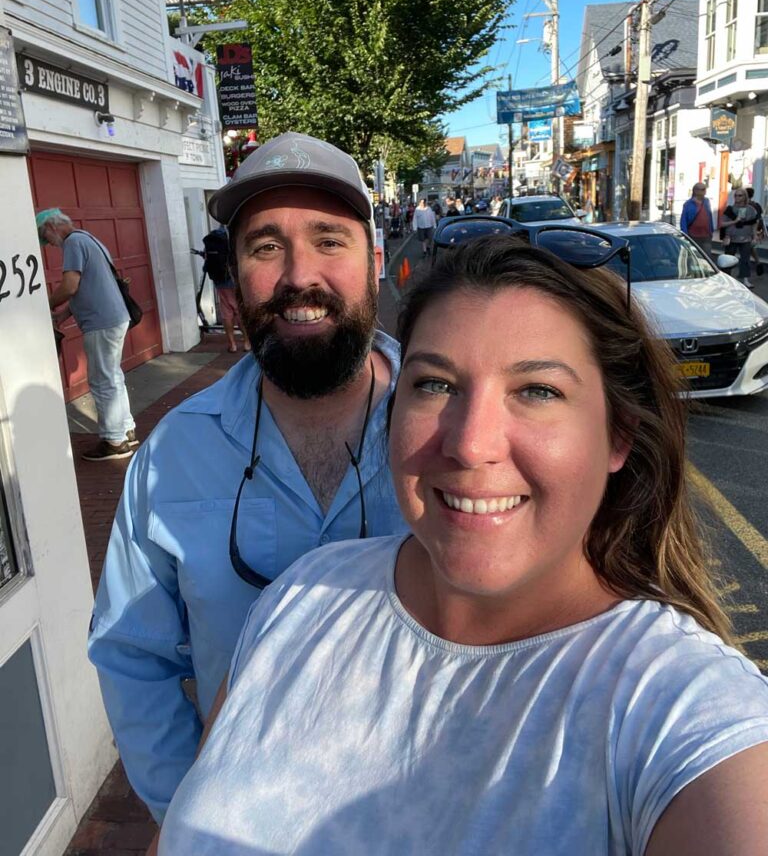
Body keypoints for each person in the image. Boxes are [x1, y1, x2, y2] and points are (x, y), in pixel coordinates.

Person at [155, 234, 768, 855]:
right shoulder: (302, 596)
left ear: (619, 436)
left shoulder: (680, 708)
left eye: (537, 391)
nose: (471, 444)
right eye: (436, 385)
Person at [88, 132, 405, 823]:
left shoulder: (455, 429)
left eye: (330, 240)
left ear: (375, 261)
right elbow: (131, 656)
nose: (299, 276)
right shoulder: (174, 455)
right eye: (266, 246)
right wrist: (190, 817)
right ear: (232, 281)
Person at [36, 208, 137, 461]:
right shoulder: (89, 238)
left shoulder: (73, 243)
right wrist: (62, 316)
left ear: (52, 227)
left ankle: (114, 441)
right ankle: (126, 429)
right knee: (113, 376)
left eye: (46, 238)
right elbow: (89, 286)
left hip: (100, 322)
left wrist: (43, 304)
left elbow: (71, 285)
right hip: (114, 317)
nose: (50, 244)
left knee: (102, 381)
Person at [202, 225, 251, 353]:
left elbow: (207, 257)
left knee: (226, 312)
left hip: (218, 279)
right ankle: (247, 342)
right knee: (239, 310)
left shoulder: (213, 236)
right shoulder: (233, 235)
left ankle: (232, 344)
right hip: (232, 277)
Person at [720, 187, 759, 288]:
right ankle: (726, 279)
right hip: (731, 237)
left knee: (745, 259)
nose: (737, 197)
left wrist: (755, 236)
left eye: (740, 195)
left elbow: (754, 223)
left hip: (745, 238)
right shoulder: (730, 209)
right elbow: (722, 224)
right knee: (728, 259)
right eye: (736, 195)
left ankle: (745, 279)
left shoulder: (751, 210)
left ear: (745, 196)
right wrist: (734, 221)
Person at [680, 182, 714, 258]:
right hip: (693, 236)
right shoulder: (688, 204)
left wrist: (711, 230)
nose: (705, 191)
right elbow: (683, 220)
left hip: (706, 235)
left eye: (705, 189)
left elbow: (709, 216)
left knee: (707, 257)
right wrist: (685, 235)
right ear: (695, 191)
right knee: (694, 257)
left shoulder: (706, 201)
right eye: (702, 189)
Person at [746, 187, 765, 276]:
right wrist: (762, 231)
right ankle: (758, 262)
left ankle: (749, 268)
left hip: (747, 230)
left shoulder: (745, 205)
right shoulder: (756, 205)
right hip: (755, 229)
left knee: (747, 248)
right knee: (750, 248)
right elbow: (760, 219)